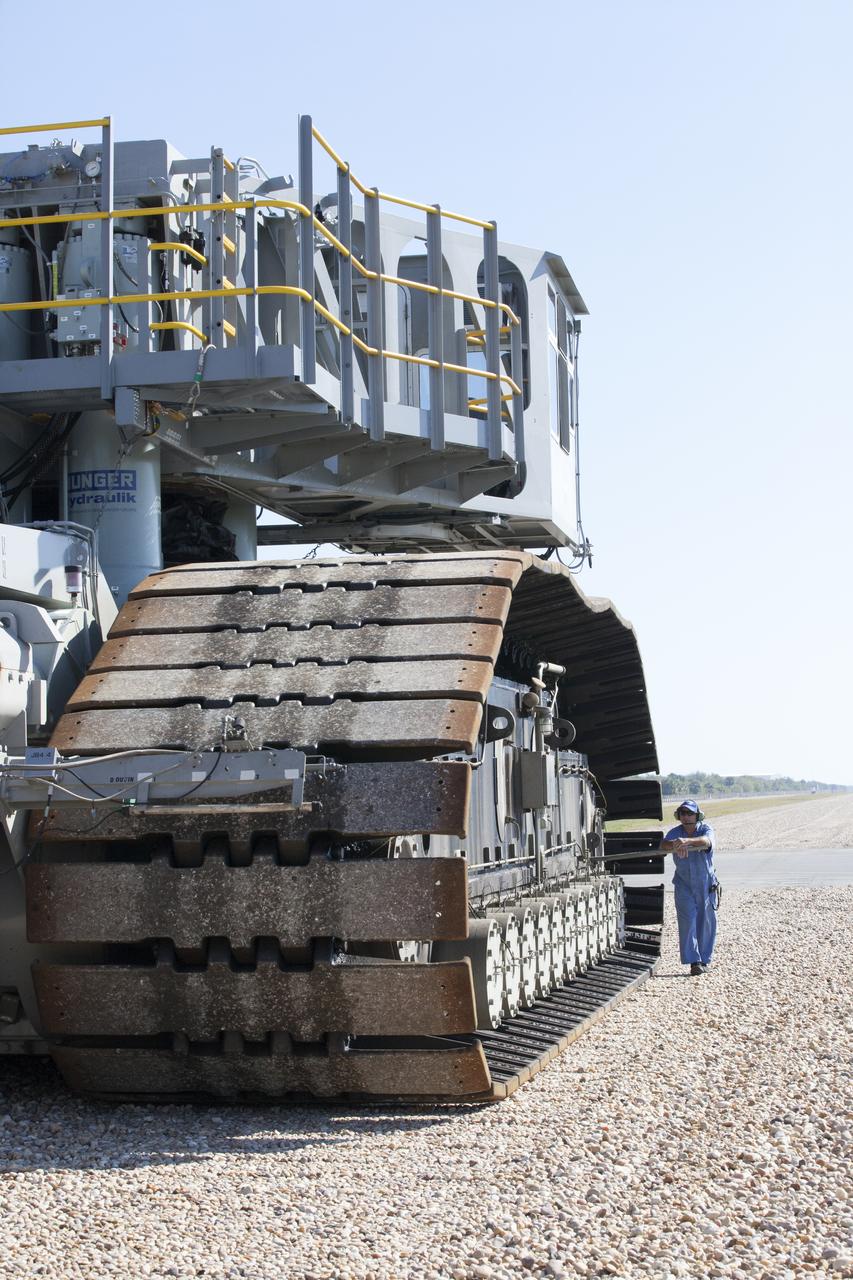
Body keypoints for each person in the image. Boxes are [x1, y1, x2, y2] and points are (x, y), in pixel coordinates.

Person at [660, 799, 718, 976]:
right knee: (687, 921)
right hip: (683, 885)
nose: (686, 817)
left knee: (706, 922)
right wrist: (674, 844)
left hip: (705, 885)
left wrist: (687, 842)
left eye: (689, 813)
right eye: (683, 813)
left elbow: (707, 841)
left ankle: (704, 959)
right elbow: (663, 845)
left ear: (697, 815)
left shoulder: (705, 829)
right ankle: (694, 962)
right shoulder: (675, 833)